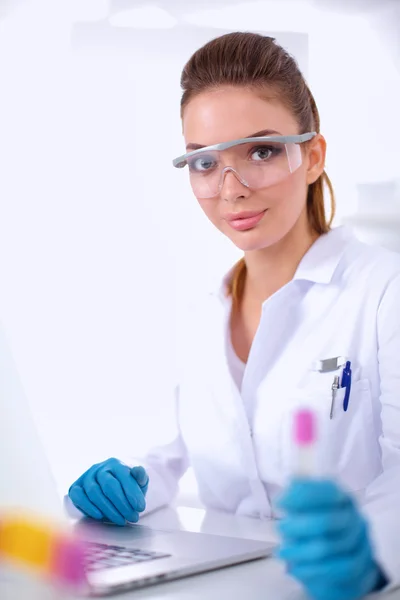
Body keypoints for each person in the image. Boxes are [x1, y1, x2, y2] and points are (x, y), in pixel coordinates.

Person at [68, 32, 400, 599]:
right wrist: (122, 487)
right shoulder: (202, 315)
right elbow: (162, 459)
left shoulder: (382, 291)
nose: (232, 189)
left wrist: (374, 548)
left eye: (262, 151)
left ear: (313, 156)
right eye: (204, 162)